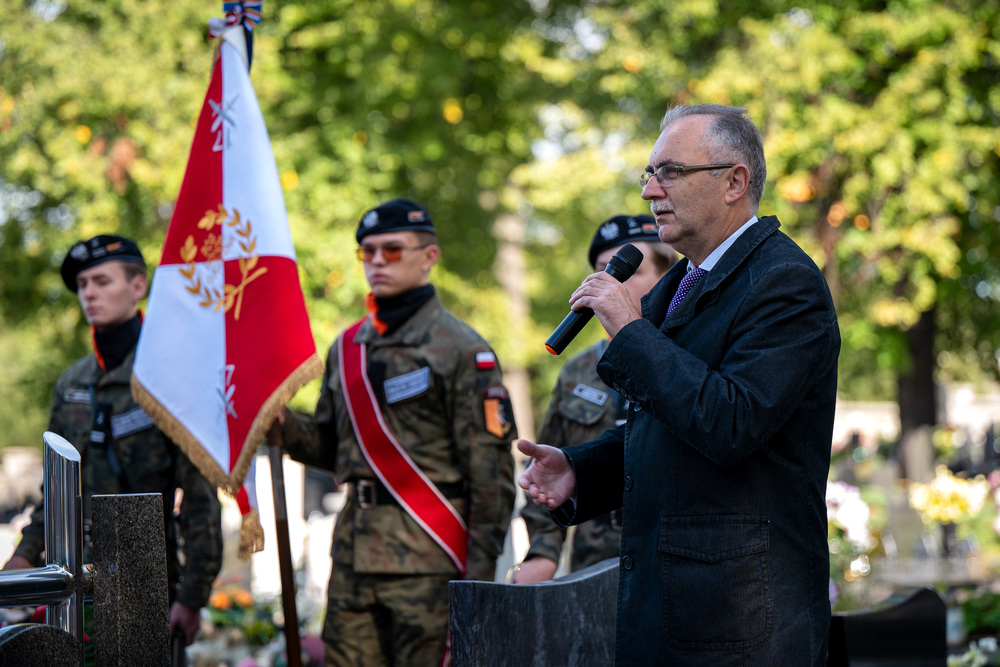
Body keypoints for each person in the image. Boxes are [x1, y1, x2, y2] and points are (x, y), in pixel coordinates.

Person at [518, 104, 841, 665]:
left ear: (733, 182)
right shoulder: (683, 283)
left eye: (669, 172)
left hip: (741, 624)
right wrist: (582, 470)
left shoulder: (784, 283)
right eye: (648, 174)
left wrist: (628, 328)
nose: (649, 191)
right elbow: (667, 430)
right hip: (671, 613)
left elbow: (731, 422)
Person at [275, 198, 516, 666]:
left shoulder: (462, 350)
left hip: (430, 560)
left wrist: (478, 583)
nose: (377, 262)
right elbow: (330, 447)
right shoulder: (346, 348)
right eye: (367, 252)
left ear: (429, 257)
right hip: (353, 558)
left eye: (392, 250)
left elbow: (490, 476)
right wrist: (283, 426)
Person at [2, 235, 223, 647]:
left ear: (137, 287)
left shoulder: (168, 376)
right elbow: (55, 490)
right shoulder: (73, 382)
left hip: (144, 581)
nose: (89, 293)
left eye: (102, 281)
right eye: (83, 284)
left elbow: (199, 497)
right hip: (70, 578)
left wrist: (192, 596)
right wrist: (26, 553)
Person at [513, 214, 677, 584]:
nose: (610, 284)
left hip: (671, 561)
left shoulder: (684, 359)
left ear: (667, 278)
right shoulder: (577, 370)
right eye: (602, 272)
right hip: (592, 568)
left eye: (627, 271)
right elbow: (544, 465)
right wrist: (542, 552)